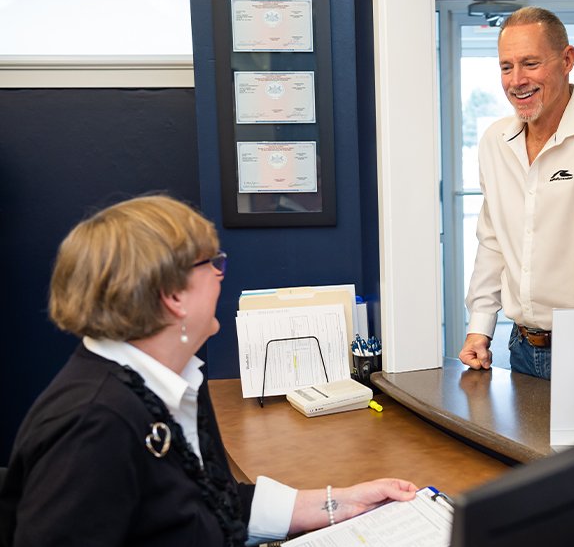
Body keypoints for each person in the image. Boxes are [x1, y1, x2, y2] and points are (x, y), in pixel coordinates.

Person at [0, 195, 416, 547]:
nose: (220, 275)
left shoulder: (171, 384)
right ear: (173, 295)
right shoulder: (92, 424)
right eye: (212, 264)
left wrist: (341, 503)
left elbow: (213, 501)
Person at [459, 7, 574, 380]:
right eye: (506, 67)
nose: (517, 80)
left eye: (530, 64)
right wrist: (480, 326)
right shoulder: (494, 142)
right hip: (520, 347)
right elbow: (493, 240)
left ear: (567, 60)